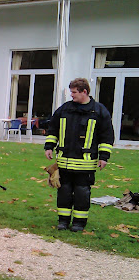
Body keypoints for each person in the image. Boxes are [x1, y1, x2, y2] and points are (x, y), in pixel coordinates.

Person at [44, 78, 114, 232]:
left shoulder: (99, 111)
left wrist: (104, 157)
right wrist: (49, 146)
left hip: (85, 163)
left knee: (82, 193)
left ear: (84, 92)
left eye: (74, 92)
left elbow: (107, 136)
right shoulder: (64, 109)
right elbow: (53, 129)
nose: (72, 95)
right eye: (71, 92)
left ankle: (79, 223)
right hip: (64, 162)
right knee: (64, 192)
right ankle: (63, 221)